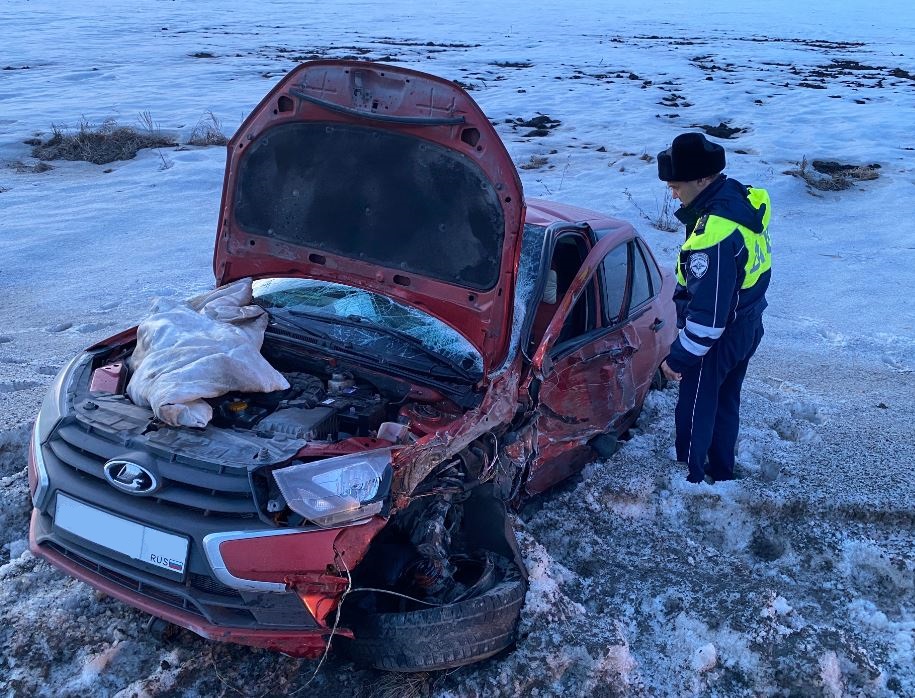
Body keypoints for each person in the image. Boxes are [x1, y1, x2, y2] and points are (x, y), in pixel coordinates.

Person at [656, 132, 771, 484]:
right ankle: (722, 470)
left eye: (676, 186)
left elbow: (709, 319)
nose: (673, 194)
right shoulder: (738, 199)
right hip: (748, 323)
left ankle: (689, 480)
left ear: (702, 180)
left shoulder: (715, 236)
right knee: (724, 401)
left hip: (719, 339)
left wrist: (677, 359)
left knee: (696, 407)